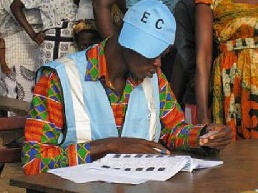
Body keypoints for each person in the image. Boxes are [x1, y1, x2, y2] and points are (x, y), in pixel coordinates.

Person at [22, 0, 232, 175]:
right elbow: (35, 161)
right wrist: (109, 146)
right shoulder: (59, 78)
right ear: (125, 40)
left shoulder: (153, 77)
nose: (158, 63)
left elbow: (172, 130)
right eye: (151, 52)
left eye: (163, 54)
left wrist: (205, 136)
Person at [194, 0, 258, 141]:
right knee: (237, 155)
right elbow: (203, 57)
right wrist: (203, 116)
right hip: (232, 89)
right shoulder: (208, 2)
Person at [10, 0, 78, 65]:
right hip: (54, 43)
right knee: (52, 75)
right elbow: (15, 6)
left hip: (79, 41)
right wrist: (33, 35)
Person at [0, 0, 42, 104]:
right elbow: (23, 16)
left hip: (34, 47)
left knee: (33, 95)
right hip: (16, 46)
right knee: (17, 97)